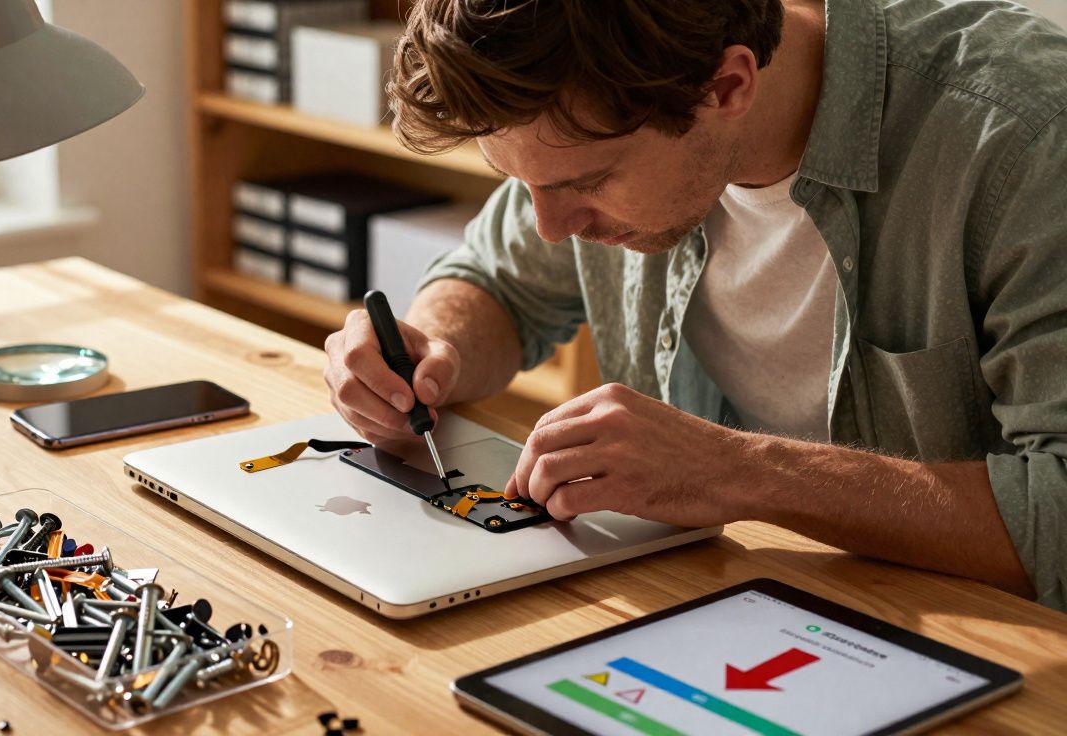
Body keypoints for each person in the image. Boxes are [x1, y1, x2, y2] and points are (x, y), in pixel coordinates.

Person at [322, 0, 1067, 610]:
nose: (554, 226)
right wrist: (426, 349)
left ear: (726, 88)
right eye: (520, 182)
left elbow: (1058, 513)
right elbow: (495, 279)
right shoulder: (595, 116)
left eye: (586, 183)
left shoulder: (1029, 143)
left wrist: (738, 472)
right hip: (742, 607)